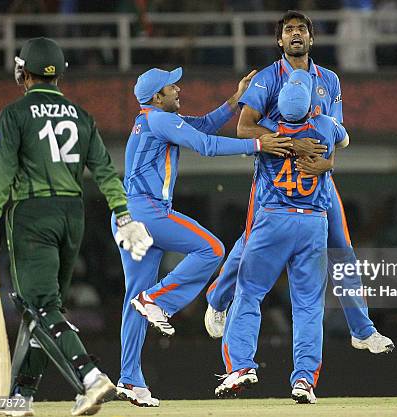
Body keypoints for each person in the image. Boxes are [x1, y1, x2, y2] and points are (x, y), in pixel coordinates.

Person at [0, 37, 153, 416]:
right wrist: (124, 215)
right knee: (48, 308)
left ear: (24, 73)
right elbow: (104, 170)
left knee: (35, 304)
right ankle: (21, 396)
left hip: (32, 213)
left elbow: (1, 170)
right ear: (60, 73)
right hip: (72, 215)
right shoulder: (82, 116)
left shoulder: (15, 113)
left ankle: (89, 376)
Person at [204, 10, 394, 354]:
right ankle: (218, 299)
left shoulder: (329, 80)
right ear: (280, 41)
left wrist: (328, 163)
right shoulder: (267, 78)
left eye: (301, 30)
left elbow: (335, 134)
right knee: (249, 242)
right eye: (289, 30)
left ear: (311, 38)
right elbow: (244, 129)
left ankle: (362, 330)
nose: (295, 34)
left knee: (343, 251)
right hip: (272, 181)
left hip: (319, 181)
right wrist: (293, 145)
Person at [112, 67, 292, 407]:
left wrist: (235, 100)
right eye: (171, 86)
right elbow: (206, 146)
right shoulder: (159, 119)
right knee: (212, 249)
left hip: (127, 216)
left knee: (133, 298)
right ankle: (159, 301)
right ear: (156, 97)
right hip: (148, 212)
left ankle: (129, 378)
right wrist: (257, 144)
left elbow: (204, 126)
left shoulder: (152, 118)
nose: (178, 88)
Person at [216, 69, 348, 404]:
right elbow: (343, 140)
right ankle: (304, 379)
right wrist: (326, 157)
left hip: (273, 219)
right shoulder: (326, 127)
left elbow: (245, 133)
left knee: (247, 294)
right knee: (307, 307)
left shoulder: (270, 134)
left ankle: (242, 366)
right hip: (313, 223)